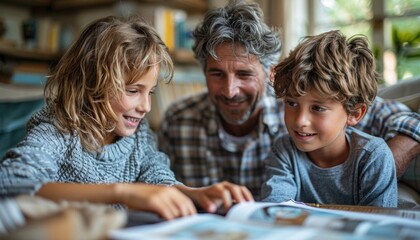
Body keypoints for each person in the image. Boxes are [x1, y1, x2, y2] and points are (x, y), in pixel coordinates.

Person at [158, 0, 419, 200]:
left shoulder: (297, 98)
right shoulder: (178, 120)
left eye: (244, 74)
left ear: (269, 73)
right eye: (216, 73)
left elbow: (408, 121)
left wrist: (381, 168)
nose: (230, 90)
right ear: (204, 71)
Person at [0, 15, 254, 220]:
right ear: (91, 84)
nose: (145, 106)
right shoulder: (58, 129)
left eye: (150, 92)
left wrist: (196, 194)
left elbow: (157, 177)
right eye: (133, 91)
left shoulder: (138, 134)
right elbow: (11, 182)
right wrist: (122, 192)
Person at [260, 30, 397, 207]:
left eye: (317, 108)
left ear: (354, 113)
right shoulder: (284, 150)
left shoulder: (373, 157)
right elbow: (275, 211)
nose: (300, 120)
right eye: (292, 103)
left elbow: (379, 229)